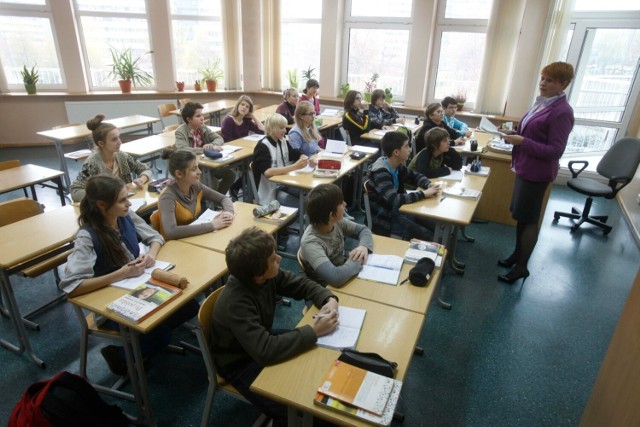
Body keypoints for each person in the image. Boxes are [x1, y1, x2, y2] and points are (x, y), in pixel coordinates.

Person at [59, 175, 199, 375]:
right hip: (109, 304)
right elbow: (72, 287)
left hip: (138, 285)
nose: (129, 203)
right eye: (122, 200)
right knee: (161, 335)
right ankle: (120, 356)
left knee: (190, 306)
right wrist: (121, 274)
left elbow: (156, 237)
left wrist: (151, 255)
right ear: (101, 204)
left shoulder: (125, 215)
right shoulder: (87, 237)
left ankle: (144, 340)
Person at [210, 227, 339, 424]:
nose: (279, 258)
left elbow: (301, 284)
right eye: (273, 258)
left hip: (260, 341)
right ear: (258, 275)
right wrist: (313, 330)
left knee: (320, 357)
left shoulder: (265, 276)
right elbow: (266, 351)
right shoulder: (236, 303)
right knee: (298, 409)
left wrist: (328, 298)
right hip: (239, 362)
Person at [498, 61, 575, 285]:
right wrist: (513, 133)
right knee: (521, 216)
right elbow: (533, 133)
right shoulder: (542, 103)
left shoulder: (562, 111)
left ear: (563, 84)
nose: (543, 83)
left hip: (537, 173)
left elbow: (555, 150)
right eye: (542, 78)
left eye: (549, 80)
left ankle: (522, 267)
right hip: (525, 167)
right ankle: (516, 255)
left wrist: (522, 141)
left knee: (529, 219)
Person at [368, 131, 440, 240]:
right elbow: (394, 199)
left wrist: (428, 184)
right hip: (386, 220)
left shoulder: (395, 165)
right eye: (406, 146)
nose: (410, 149)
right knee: (431, 237)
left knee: (437, 227)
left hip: (399, 211)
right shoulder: (381, 172)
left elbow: (414, 176)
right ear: (396, 152)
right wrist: (423, 194)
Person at [300, 184, 373, 287]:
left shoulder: (336, 222)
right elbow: (335, 277)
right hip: (324, 287)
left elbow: (363, 230)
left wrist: (363, 247)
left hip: (343, 272)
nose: (345, 204)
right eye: (341, 203)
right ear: (332, 215)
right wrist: (357, 261)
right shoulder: (311, 242)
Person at [151, 149, 234, 240]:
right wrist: (212, 225)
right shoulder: (167, 198)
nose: (200, 172)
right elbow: (171, 231)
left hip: (192, 239)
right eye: (194, 169)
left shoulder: (195, 186)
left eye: (198, 167)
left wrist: (228, 212)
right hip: (173, 246)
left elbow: (224, 199)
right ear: (179, 174)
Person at [70, 114, 152, 202]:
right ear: (101, 143)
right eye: (114, 139)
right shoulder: (91, 164)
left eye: (119, 137)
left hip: (124, 203)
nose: (120, 142)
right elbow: (75, 191)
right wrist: (104, 195)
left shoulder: (122, 156)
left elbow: (145, 169)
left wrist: (142, 179)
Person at [174, 102, 235, 195]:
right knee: (212, 183)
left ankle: (216, 200)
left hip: (208, 163)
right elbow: (182, 149)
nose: (202, 118)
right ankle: (206, 202)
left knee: (230, 175)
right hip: (192, 166)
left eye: (202, 115)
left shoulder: (202, 127)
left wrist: (212, 145)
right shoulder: (180, 131)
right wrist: (204, 150)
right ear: (189, 119)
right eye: (198, 116)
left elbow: (219, 138)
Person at [252, 113, 309, 205]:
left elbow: (294, 153)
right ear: (272, 128)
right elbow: (267, 172)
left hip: (284, 184)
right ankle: (299, 218)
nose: (285, 131)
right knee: (299, 205)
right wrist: (294, 167)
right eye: (282, 128)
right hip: (270, 192)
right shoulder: (262, 146)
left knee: (309, 198)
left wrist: (303, 156)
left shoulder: (282, 141)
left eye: (285, 128)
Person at [221, 95, 265, 199]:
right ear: (238, 105)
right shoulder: (228, 120)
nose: (244, 108)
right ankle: (238, 187)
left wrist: (253, 116)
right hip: (232, 153)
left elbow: (262, 131)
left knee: (259, 162)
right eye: (242, 104)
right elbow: (227, 142)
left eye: (247, 107)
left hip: (244, 151)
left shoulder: (246, 121)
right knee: (254, 165)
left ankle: (242, 187)